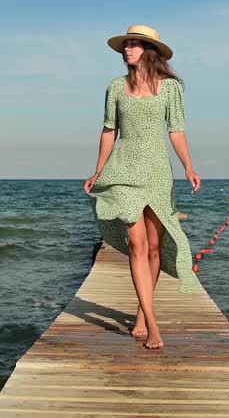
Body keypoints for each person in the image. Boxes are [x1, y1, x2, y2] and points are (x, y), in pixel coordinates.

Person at [83, 24, 202, 350]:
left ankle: (141, 311)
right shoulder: (115, 87)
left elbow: (176, 130)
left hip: (157, 173)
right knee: (137, 244)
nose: (127, 50)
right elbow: (109, 131)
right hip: (122, 170)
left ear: (149, 50)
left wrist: (188, 166)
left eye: (134, 45)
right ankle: (153, 325)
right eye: (126, 45)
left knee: (153, 248)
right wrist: (98, 171)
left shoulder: (171, 88)